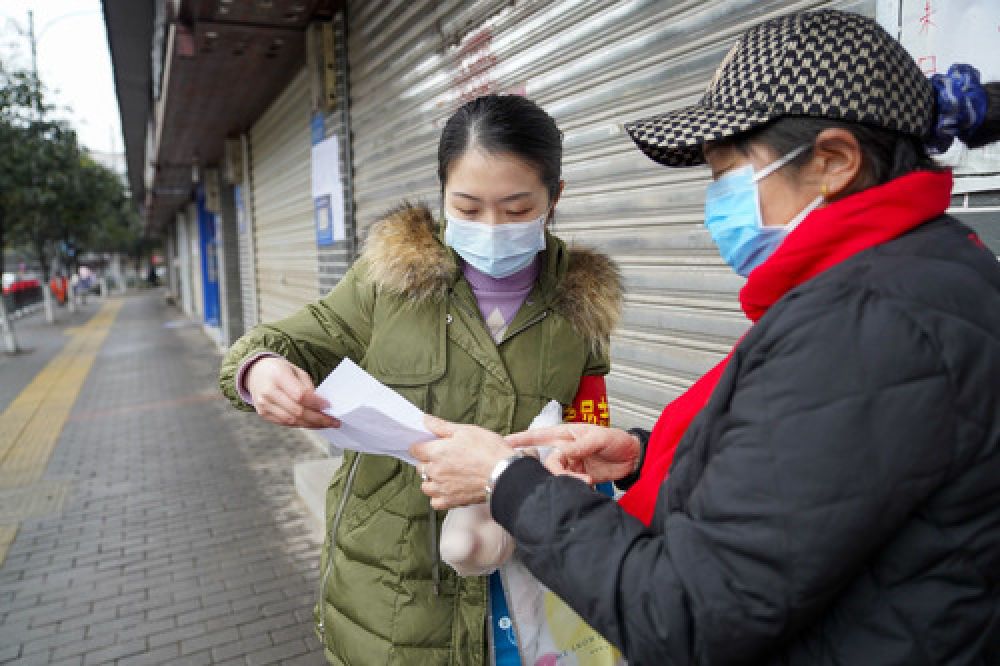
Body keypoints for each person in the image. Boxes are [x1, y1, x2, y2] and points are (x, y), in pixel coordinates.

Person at [412, 10, 1000, 665]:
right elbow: (810, 481)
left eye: (727, 170)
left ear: (832, 160)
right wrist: (644, 452)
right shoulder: (912, 274)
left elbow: (687, 614)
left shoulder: (872, 324)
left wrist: (507, 480)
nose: (715, 200)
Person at [219, 94, 623, 665]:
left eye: (515, 209)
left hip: (521, 588)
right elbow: (293, 338)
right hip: (392, 595)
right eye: (467, 206)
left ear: (554, 197)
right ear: (442, 195)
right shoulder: (391, 279)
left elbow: (588, 429)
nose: (491, 227)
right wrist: (258, 370)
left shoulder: (581, 303)